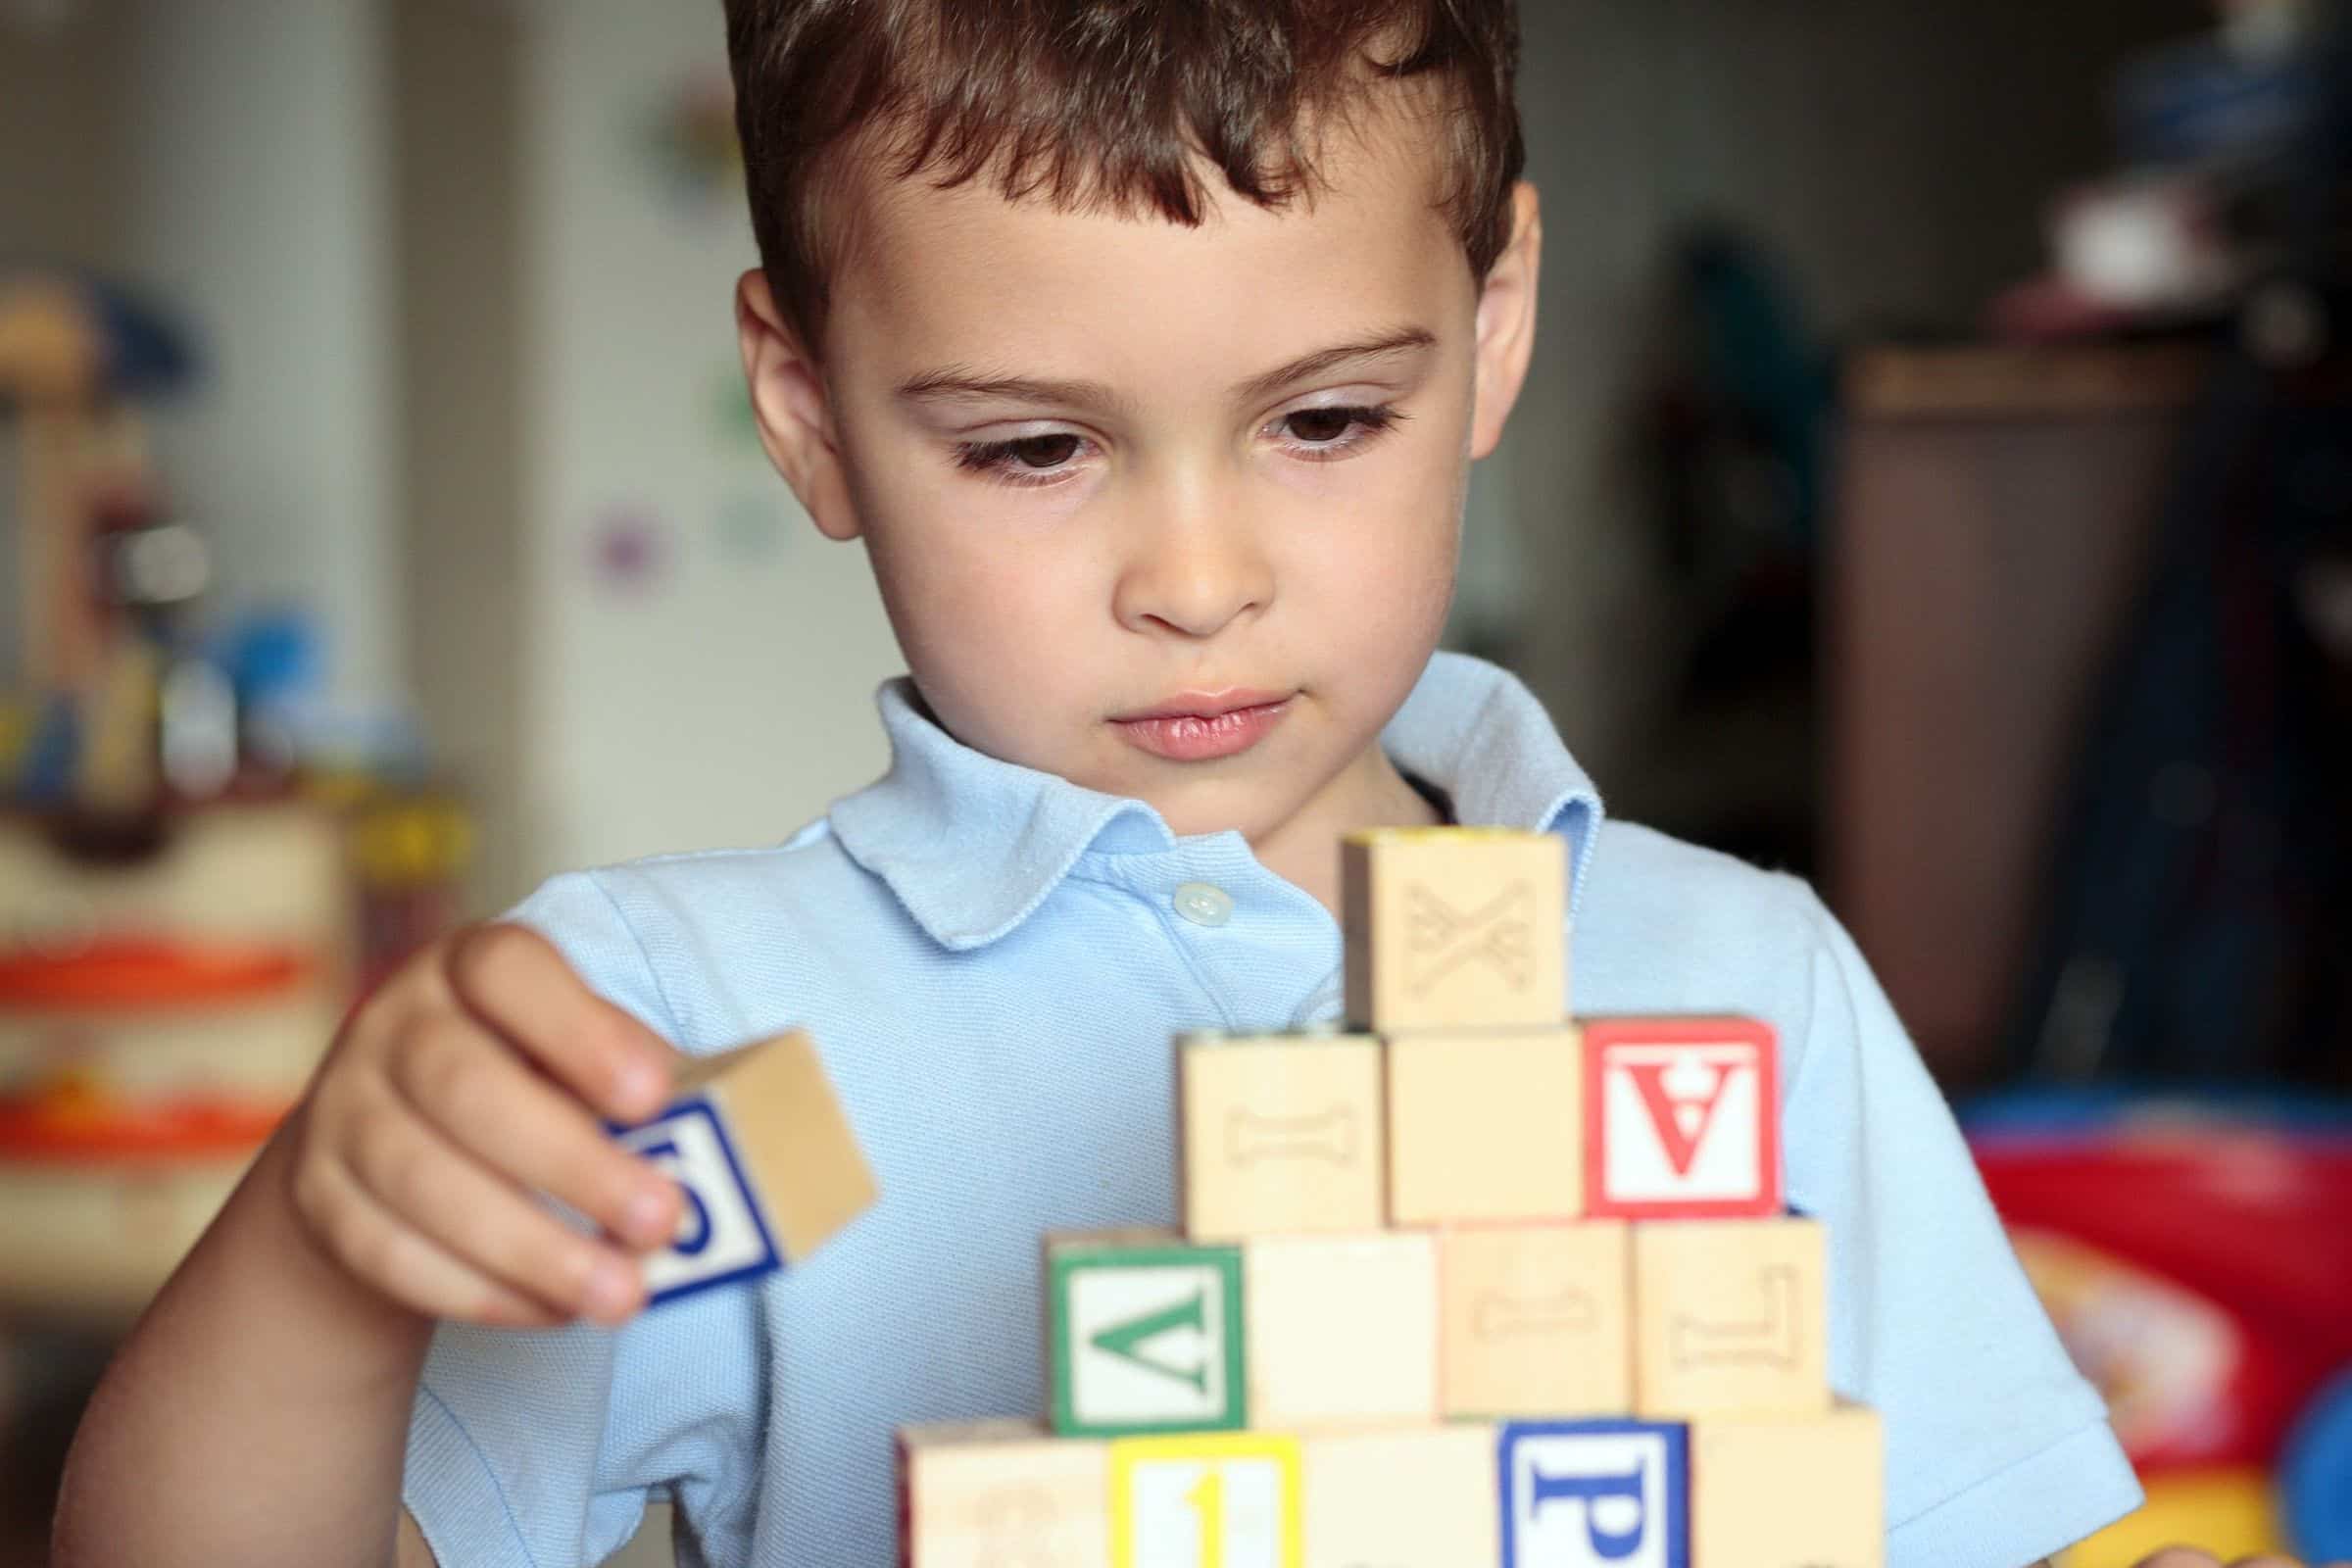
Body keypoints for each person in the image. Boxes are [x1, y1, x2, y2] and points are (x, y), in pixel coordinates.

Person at [52, 3, 2300, 1565]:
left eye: (1327, 421)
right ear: (813, 406)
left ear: (1492, 326)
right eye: (1035, 446)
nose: (1200, 580)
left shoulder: (1736, 982)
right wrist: (327, 1258)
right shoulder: (683, 1032)